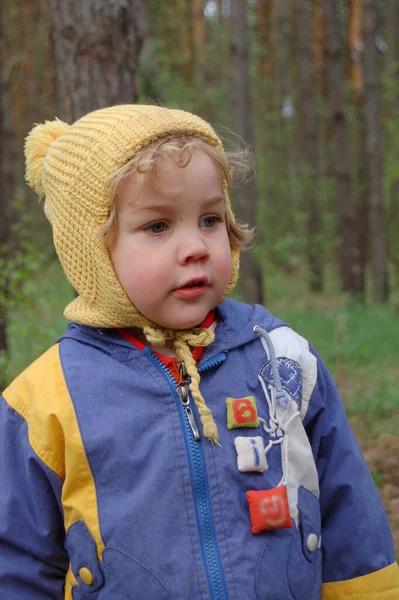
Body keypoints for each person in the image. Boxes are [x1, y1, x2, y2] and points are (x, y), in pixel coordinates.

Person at [0, 104, 397, 600]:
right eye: (158, 227)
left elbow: (352, 524)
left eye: (210, 219)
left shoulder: (283, 360)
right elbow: (17, 563)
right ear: (93, 252)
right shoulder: (46, 400)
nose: (196, 246)